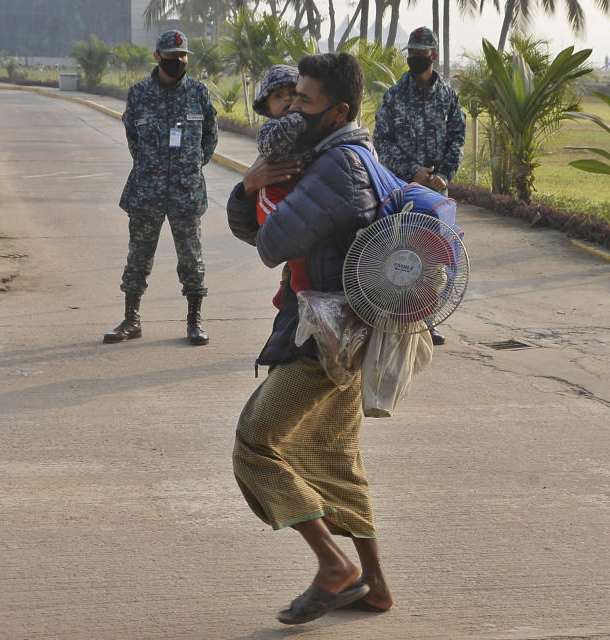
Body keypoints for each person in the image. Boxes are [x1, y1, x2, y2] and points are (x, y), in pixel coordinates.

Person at [227, 52, 394, 626]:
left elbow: (269, 243)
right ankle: (373, 583)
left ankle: (333, 565)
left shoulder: (336, 168)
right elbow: (254, 227)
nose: (293, 108)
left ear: (338, 110)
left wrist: (260, 191)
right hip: (346, 330)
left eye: (305, 100)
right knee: (335, 457)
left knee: (255, 444)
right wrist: (252, 186)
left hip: (322, 337)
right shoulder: (341, 155)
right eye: (291, 97)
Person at [104, 29, 218, 346]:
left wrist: (191, 166)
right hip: (146, 191)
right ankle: (131, 320)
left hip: (186, 191)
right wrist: (150, 167)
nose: (177, 61)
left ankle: (194, 321)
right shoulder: (139, 94)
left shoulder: (199, 93)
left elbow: (210, 137)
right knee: (138, 257)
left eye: (182, 56)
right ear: (157, 56)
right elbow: (133, 138)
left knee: (192, 259)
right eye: (171, 56)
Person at [373, 26, 466, 346]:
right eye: (410, 53)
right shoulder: (395, 95)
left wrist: (445, 175)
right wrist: (412, 172)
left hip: (436, 193)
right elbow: (381, 140)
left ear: (434, 56)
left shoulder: (448, 96)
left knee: (432, 257)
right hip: (401, 190)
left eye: (420, 53)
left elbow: (457, 138)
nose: (414, 58)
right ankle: (395, 316)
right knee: (399, 255)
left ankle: (426, 319)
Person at [252, 64, 313, 308]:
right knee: (286, 230)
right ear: (267, 107)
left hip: (303, 193)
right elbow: (271, 147)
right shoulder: (270, 128)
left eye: (293, 93)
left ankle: (289, 285)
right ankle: (294, 288)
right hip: (275, 194)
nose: (287, 99)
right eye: (278, 96)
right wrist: (299, 119)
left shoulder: (313, 126)